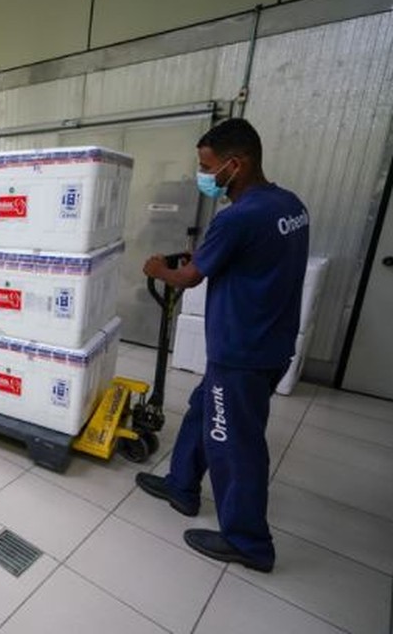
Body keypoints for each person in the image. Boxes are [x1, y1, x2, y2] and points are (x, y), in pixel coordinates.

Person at [136, 118, 309, 573]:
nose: (205, 175)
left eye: (208, 166)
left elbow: (189, 277)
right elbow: (255, 260)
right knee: (202, 411)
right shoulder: (289, 205)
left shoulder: (237, 217)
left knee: (234, 440)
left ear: (236, 164)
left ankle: (248, 540)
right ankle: (181, 485)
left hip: (242, 351)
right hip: (271, 341)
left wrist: (158, 269)